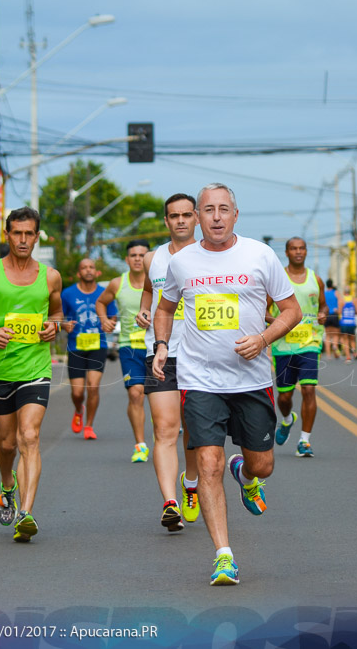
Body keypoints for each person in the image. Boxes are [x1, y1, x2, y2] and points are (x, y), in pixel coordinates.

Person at [152, 183, 301, 585]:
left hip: (251, 380)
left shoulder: (260, 255)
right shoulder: (182, 263)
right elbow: (165, 307)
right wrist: (162, 345)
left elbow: (292, 310)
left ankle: (247, 475)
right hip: (200, 380)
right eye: (208, 210)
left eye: (224, 209)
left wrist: (264, 339)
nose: (216, 216)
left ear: (236, 214)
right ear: (197, 217)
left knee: (263, 465)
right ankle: (223, 555)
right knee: (207, 464)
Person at [0, 207, 63, 543]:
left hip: (36, 368)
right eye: (16, 233)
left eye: (29, 233)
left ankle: (26, 512)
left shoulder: (50, 276)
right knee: (6, 444)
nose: (22, 239)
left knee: (29, 437)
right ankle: (7, 484)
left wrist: (53, 328)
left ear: (37, 236)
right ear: (8, 235)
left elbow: (58, 314)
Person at [135, 193, 202, 532]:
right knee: (164, 429)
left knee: (193, 431)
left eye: (186, 215)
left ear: (197, 219)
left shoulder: (210, 256)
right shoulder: (153, 258)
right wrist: (145, 309)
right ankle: (170, 502)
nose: (180, 221)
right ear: (165, 221)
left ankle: (191, 484)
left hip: (200, 356)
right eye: (173, 215)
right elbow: (150, 290)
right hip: (160, 352)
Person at [268, 237, 326, 458]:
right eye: (294, 249)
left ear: (306, 251)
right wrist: (279, 323)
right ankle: (287, 419)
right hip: (283, 346)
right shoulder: (277, 279)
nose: (298, 252)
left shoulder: (316, 279)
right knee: (284, 397)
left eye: (302, 248)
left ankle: (305, 441)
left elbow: (323, 305)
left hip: (310, 343)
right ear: (286, 252)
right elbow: (265, 310)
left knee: (309, 390)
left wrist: (323, 314)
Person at [97, 239, 152, 463]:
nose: (138, 259)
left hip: (156, 346)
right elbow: (101, 302)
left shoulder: (159, 282)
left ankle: (164, 436)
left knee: (161, 398)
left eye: (142, 255)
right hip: (129, 347)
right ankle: (140, 445)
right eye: (133, 255)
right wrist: (104, 320)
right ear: (127, 259)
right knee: (135, 393)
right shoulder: (117, 283)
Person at [62, 258, 112, 440]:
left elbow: (112, 316)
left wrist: (109, 323)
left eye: (91, 267)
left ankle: (89, 425)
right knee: (77, 392)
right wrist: (64, 325)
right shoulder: (67, 294)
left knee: (93, 386)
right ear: (79, 272)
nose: (88, 270)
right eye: (84, 267)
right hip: (76, 346)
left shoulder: (104, 292)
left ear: (96, 272)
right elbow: (59, 317)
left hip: (98, 345)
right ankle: (78, 409)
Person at [338, 287, 357, 363]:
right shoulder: (354, 300)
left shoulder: (341, 300)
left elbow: (339, 311)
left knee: (345, 340)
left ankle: (348, 357)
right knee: (352, 339)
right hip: (352, 322)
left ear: (344, 292)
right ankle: (355, 353)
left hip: (344, 322)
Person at [323, 279, 341, 359]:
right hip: (334, 314)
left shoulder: (324, 293)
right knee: (335, 335)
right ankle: (334, 346)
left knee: (328, 335)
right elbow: (341, 301)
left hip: (326, 315)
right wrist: (338, 310)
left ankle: (328, 354)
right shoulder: (336, 292)